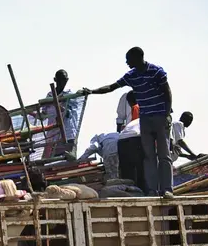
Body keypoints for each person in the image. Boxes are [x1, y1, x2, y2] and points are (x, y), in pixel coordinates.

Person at [85, 47, 175, 196]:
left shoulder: (156, 71)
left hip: (160, 117)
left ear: (138, 57)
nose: (127, 62)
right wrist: (92, 91)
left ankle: (167, 190)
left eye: (129, 59)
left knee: (164, 155)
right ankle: (152, 190)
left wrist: (166, 114)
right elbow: (111, 87)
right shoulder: (131, 76)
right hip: (145, 119)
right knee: (149, 157)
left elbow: (168, 92)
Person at [40, 69, 84, 158]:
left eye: (64, 79)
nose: (62, 82)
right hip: (53, 132)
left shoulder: (70, 95)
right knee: (47, 158)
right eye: (60, 79)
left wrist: (61, 106)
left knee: (68, 158)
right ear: (55, 80)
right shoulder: (49, 95)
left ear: (67, 80)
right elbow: (43, 114)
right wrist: (34, 114)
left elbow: (71, 114)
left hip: (67, 132)